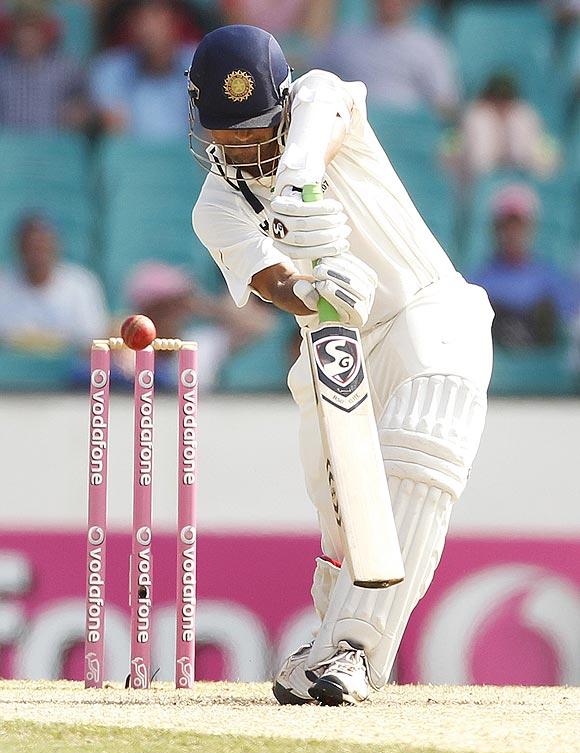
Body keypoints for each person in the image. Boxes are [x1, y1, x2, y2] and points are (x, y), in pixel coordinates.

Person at [188, 25, 493, 705]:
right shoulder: (215, 204)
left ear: (283, 103)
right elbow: (266, 279)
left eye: (255, 130)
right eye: (227, 133)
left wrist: (298, 188)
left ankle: (350, 654)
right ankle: (327, 644)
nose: (243, 146)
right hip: (334, 346)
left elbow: (317, 125)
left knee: (421, 452)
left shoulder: (322, 99)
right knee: (344, 522)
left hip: (427, 310)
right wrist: (308, 290)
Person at [114, 261, 275, 391]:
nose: (175, 313)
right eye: (165, 307)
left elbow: (263, 324)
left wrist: (208, 308)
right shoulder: (120, 338)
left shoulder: (202, 343)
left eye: (179, 304)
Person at [471, 184, 577, 349]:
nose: (513, 233)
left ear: (531, 229)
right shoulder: (478, 282)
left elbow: (571, 319)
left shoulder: (551, 279)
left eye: (519, 226)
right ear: (495, 229)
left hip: (544, 370)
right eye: (506, 226)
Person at [314, 0, 460, 117]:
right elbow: (314, 78)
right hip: (354, 127)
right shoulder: (345, 39)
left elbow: (446, 104)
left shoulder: (429, 46)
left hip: (408, 133)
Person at [0, 214, 108, 348]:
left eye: (43, 245)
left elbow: (94, 341)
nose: (37, 253)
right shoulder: (3, 284)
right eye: (31, 245)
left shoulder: (81, 285)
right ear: (19, 247)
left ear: (56, 246)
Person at [90, 0, 194, 138]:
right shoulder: (108, 70)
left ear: (175, 21)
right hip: (132, 157)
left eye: (156, 15)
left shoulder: (200, 62)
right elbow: (116, 135)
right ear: (131, 24)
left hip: (190, 156)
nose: (149, 27)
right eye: (141, 18)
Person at [451, 72, 559, 184]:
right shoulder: (474, 117)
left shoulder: (525, 117)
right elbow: (449, 149)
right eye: (496, 99)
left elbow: (549, 155)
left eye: (505, 99)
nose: (501, 104)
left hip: (521, 182)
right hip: (478, 183)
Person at [0, 6, 90, 131]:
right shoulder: (3, 68)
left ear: (45, 34)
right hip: (8, 146)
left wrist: (79, 112)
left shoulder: (66, 69)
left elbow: (85, 104)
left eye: (33, 30)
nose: (26, 36)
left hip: (54, 145)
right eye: (21, 29)